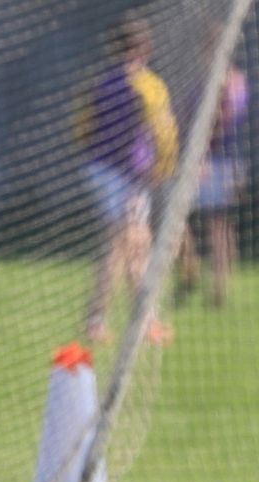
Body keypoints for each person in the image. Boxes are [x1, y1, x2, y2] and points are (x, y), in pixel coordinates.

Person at [78, 13, 180, 345]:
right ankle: (96, 319)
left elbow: (80, 126)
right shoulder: (148, 85)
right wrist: (163, 166)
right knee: (121, 245)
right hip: (128, 177)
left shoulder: (99, 81)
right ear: (144, 47)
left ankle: (144, 319)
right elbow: (163, 132)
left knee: (137, 245)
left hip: (97, 169)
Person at [177, 46, 247, 308]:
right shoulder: (203, 83)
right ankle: (190, 269)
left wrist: (203, 149)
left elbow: (225, 121)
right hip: (200, 159)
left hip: (221, 162)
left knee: (218, 223)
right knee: (178, 218)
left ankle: (219, 287)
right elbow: (186, 117)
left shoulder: (233, 83)